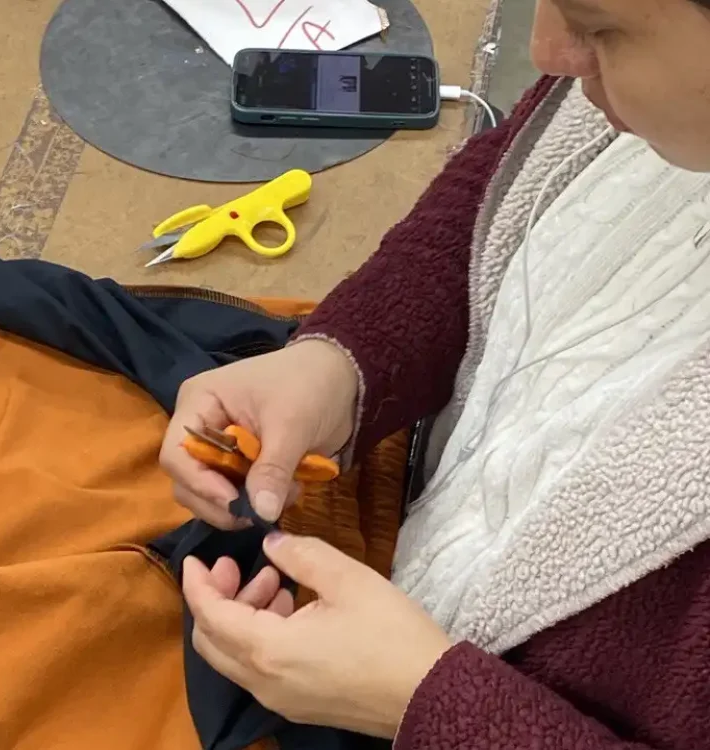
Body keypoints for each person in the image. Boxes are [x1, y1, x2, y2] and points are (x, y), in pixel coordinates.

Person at [160, 0, 710, 746]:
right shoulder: (630, 108)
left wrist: (427, 702)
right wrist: (340, 363)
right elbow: (510, 198)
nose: (545, 53)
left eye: (598, 26)